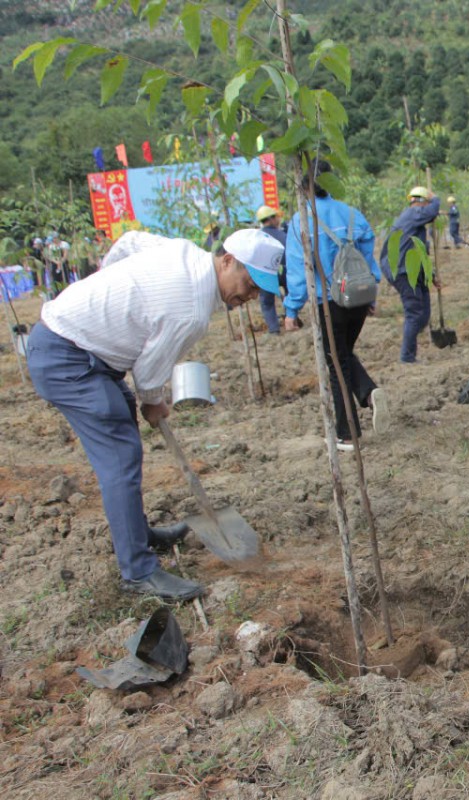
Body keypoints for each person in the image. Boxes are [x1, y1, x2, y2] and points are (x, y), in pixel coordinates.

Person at [25, 228, 284, 600]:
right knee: (119, 457)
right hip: (68, 358)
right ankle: (138, 572)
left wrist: (110, 285)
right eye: (248, 282)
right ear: (228, 260)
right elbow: (148, 371)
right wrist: (152, 400)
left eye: (259, 290)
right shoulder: (192, 310)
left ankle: (137, 533)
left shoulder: (182, 249)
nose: (250, 296)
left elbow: (129, 241)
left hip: (80, 347)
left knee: (123, 435)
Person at [283, 160, 389, 449]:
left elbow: (296, 269)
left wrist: (291, 309)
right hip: (358, 297)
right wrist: (372, 295)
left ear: (303, 186)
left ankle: (347, 433)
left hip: (328, 301)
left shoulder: (300, 221)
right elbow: (367, 259)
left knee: (336, 364)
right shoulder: (352, 214)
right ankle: (367, 392)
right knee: (341, 355)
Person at [381, 186, 441, 365]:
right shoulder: (413, 213)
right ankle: (407, 358)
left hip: (413, 269)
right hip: (402, 270)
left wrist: (430, 275)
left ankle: (411, 345)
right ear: (421, 202)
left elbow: (419, 252)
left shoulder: (416, 224)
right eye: (427, 203)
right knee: (414, 313)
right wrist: (435, 198)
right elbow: (432, 211)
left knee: (423, 313)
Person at [256, 205, 286, 333]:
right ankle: (292, 318)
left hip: (266, 274)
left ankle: (274, 329)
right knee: (290, 294)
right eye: (276, 217)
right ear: (271, 219)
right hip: (284, 271)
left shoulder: (256, 237)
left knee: (267, 303)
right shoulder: (283, 235)